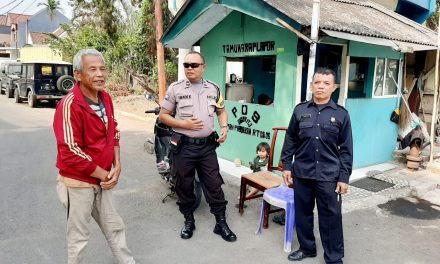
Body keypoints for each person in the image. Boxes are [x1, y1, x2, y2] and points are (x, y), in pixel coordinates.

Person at [53, 49, 136, 264]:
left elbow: (113, 131)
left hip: (103, 178)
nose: (100, 74)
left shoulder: (105, 98)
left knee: (115, 227)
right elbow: (70, 151)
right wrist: (105, 175)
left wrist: (117, 164)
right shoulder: (69, 105)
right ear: (78, 74)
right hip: (78, 183)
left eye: (103, 69)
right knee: (79, 237)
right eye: (93, 69)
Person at [159, 51, 237, 242]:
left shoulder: (214, 88)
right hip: (184, 147)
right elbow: (163, 115)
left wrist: (225, 127)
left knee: (214, 184)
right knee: (183, 185)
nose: (189, 68)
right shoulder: (175, 88)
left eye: (194, 65)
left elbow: (221, 111)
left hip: (207, 147)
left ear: (203, 67)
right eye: (186, 65)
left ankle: (220, 223)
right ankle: (188, 220)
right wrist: (184, 124)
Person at [281, 68, 353, 264]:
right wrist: (287, 165)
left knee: (331, 217)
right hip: (302, 172)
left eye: (326, 83)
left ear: (334, 87)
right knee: (303, 214)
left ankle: (334, 257)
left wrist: (344, 177)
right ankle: (307, 248)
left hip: (329, 175)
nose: (321, 86)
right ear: (311, 85)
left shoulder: (341, 115)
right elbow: (290, 140)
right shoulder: (300, 110)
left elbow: (346, 149)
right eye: (317, 82)